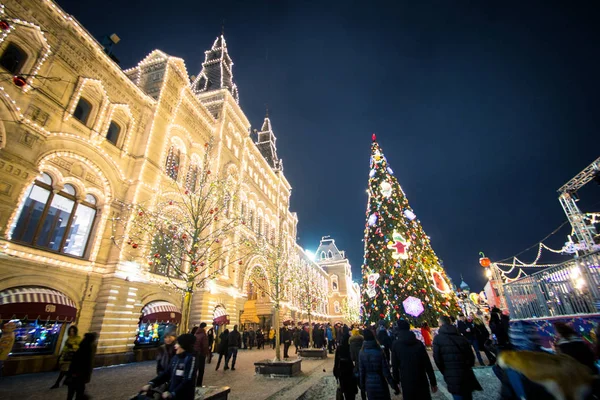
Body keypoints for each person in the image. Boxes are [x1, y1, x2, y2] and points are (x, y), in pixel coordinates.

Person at [433, 315, 482, 400]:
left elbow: (437, 359)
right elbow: (470, 355)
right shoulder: (461, 337)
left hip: (451, 374)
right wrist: (467, 366)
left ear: (440, 323)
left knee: (458, 396)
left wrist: (445, 371)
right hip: (466, 373)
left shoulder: (438, 339)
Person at [391, 320, 437, 400]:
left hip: (406, 380)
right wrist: (433, 382)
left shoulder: (396, 345)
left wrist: (396, 382)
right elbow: (427, 364)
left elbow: (395, 366)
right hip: (421, 379)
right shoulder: (418, 343)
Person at [141, 333, 196, 400]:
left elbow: (187, 380)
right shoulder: (176, 358)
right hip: (171, 395)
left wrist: (173, 393)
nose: (175, 346)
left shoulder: (191, 359)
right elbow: (167, 373)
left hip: (183, 396)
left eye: (177, 344)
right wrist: (152, 383)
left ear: (184, 345)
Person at [359, 328, 400, 400]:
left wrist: (362, 387)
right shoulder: (379, 351)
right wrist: (394, 386)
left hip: (369, 385)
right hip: (381, 382)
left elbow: (362, 372)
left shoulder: (362, 353)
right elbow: (386, 372)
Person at [67, 332, 97, 400]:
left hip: (76, 375)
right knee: (79, 393)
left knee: (72, 393)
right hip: (79, 375)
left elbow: (75, 362)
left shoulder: (83, 348)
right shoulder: (89, 349)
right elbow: (86, 364)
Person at [334, 333, 358, 400]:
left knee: (344, 390)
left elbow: (336, 362)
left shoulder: (339, 348)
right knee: (351, 393)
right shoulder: (351, 347)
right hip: (351, 372)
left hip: (342, 373)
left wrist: (336, 372)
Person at [193, 322, 209, 387]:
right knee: (201, 370)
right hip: (201, 354)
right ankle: (199, 384)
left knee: (195, 368)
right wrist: (207, 354)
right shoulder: (203, 335)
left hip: (195, 353)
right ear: (204, 327)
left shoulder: (196, 333)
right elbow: (205, 346)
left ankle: (193, 382)